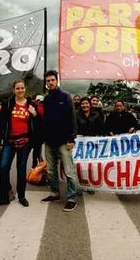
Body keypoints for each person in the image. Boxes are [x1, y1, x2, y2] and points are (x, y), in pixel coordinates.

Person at [0, 79, 39, 207]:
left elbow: (38, 124)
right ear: (14, 90)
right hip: (9, 141)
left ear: (25, 89)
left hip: (25, 141)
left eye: (22, 88)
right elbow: (1, 125)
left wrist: (34, 114)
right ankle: (3, 197)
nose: (20, 90)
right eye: (17, 88)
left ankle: (22, 196)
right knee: (3, 167)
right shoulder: (8, 104)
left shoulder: (31, 104)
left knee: (21, 169)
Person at [40, 70, 80, 212]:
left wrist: (71, 139)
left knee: (69, 171)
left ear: (57, 81)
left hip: (64, 141)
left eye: (52, 80)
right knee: (51, 171)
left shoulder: (66, 97)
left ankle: (71, 198)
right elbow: (44, 121)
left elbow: (71, 119)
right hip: (49, 141)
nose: (50, 82)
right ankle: (55, 193)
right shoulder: (46, 99)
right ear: (46, 83)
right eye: (48, 81)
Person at [31, 94, 45, 168]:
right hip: (41, 133)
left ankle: (35, 167)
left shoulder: (35, 106)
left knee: (36, 152)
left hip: (36, 133)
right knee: (37, 152)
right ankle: (38, 167)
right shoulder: (44, 107)